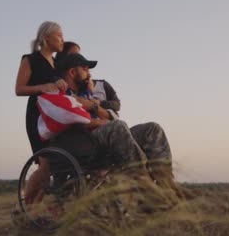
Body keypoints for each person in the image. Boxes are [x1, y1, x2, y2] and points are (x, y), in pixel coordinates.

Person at [54, 53, 173, 180]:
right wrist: (102, 122)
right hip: (86, 141)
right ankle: (142, 180)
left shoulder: (87, 93)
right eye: (85, 69)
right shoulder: (62, 94)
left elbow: (113, 115)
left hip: (109, 134)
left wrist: (96, 107)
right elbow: (74, 121)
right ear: (72, 72)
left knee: (152, 128)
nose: (89, 75)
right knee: (117, 126)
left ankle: (165, 182)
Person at [14, 21, 67, 204]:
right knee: (45, 165)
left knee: (50, 166)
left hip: (57, 116)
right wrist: (43, 87)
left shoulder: (58, 63)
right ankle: (24, 208)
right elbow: (19, 89)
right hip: (38, 116)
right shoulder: (30, 59)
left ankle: (32, 211)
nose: (63, 39)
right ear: (46, 38)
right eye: (59, 35)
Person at [55, 41, 121, 113]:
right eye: (74, 55)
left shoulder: (101, 84)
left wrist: (100, 103)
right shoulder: (66, 88)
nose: (78, 57)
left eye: (79, 54)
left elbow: (117, 105)